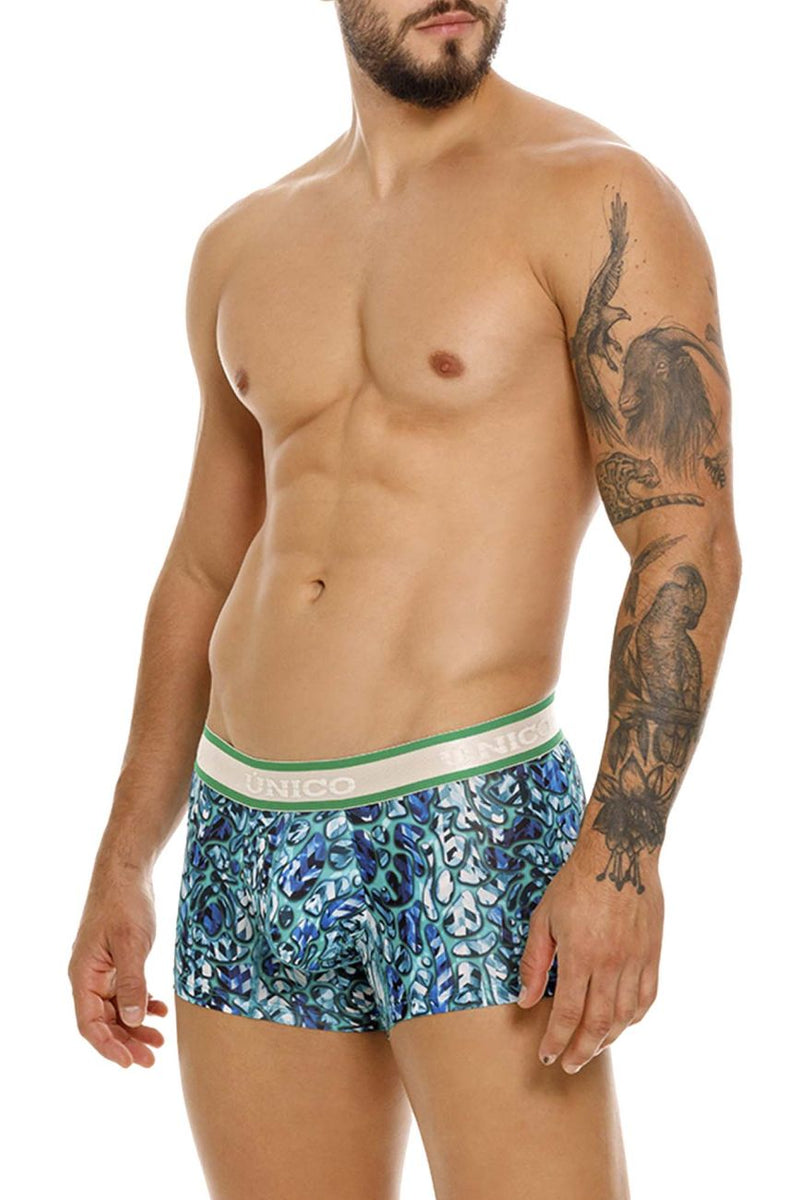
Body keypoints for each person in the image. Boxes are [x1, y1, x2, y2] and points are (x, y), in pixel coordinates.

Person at [68, 2, 742, 1197]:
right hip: (245, 836)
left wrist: (620, 857)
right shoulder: (243, 243)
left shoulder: (594, 197)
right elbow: (203, 569)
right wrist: (125, 859)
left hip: (470, 824)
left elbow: (682, 539)